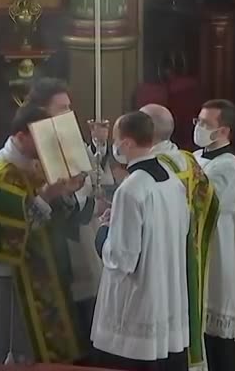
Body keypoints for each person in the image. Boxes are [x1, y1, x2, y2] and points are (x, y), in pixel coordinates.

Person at [0, 103, 89, 364]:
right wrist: (46, 195)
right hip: (14, 275)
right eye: (40, 137)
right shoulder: (3, 172)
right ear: (21, 136)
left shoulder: (36, 164)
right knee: (16, 343)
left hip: (43, 267)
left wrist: (67, 191)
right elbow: (10, 232)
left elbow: (60, 215)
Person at [92, 111, 190, 371]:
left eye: (116, 140)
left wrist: (103, 231)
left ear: (127, 142)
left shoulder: (132, 187)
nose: (116, 147)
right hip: (167, 293)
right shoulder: (171, 179)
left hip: (138, 301)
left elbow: (122, 258)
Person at [141, 104, 219, 371]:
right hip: (186, 250)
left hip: (156, 255)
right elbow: (209, 201)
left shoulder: (153, 168)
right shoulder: (187, 159)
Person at [26, 77, 106, 334]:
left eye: (69, 107)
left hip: (82, 243)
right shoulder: (30, 148)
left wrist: (99, 148)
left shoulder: (72, 140)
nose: (68, 114)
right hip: (49, 246)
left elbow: (93, 181)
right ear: (42, 111)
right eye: (61, 108)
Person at [194, 100, 235, 371]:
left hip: (217, 252)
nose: (199, 127)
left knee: (218, 337)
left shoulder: (230, 167)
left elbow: (216, 207)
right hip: (194, 249)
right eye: (198, 121)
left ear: (224, 131)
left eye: (206, 124)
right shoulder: (193, 158)